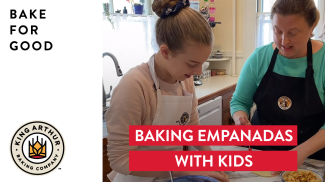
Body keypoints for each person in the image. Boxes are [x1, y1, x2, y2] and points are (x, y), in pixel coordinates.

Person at [105, 0, 229, 182]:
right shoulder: (134, 86)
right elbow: (120, 159)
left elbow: (192, 129)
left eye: (203, 62)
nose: (198, 72)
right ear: (165, 52)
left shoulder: (184, 80)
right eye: (193, 64)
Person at [230, 0, 325, 175]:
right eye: (277, 31)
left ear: (312, 27)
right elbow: (239, 101)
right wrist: (240, 119)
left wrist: (301, 151)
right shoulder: (260, 58)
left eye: (293, 33)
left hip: (311, 160)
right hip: (260, 153)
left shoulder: (323, 60)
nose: (284, 41)